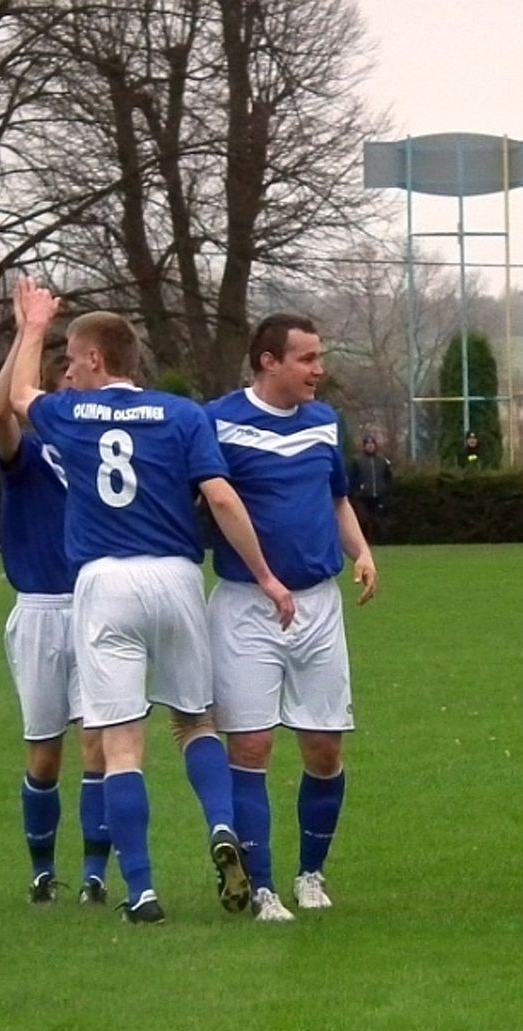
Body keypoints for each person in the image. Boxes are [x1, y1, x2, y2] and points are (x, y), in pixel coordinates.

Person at [7, 277, 296, 925]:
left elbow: (21, 396)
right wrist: (268, 578)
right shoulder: (182, 414)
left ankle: (140, 889)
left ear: (95, 360)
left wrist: (31, 326)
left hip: (104, 584)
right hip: (175, 577)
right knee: (195, 723)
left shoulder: (73, 415)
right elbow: (221, 498)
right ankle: (222, 825)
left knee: (122, 742)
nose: (70, 373)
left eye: (74, 360)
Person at [206, 314, 379, 922]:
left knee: (325, 750)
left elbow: (336, 498)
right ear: (268, 362)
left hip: (319, 605)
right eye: (307, 358)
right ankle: (263, 888)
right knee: (251, 746)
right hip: (246, 607)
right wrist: (264, 578)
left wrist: (361, 553)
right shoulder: (218, 420)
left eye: (320, 356)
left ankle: (311, 874)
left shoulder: (324, 422)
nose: (319, 370)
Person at [0, 294, 108, 905]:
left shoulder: (98, 450)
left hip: (96, 604)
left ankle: (94, 875)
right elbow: (2, 415)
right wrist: (25, 335)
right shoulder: (28, 457)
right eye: (56, 371)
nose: (66, 379)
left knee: (99, 744)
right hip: (39, 609)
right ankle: (42, 871)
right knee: (45, 754)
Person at [349, 434, 392, 542]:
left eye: (372, 444)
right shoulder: (357, 461)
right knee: (364, 520)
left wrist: (386, 491)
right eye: (367, 444)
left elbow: (388, 478)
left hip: (379, 496)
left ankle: (381, 542)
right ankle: (364, 542)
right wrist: (355, 492)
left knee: (379, 520)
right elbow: (352, 478)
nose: (370, 446)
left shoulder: (382, 461)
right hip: (363, 497)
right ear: (364, 446)